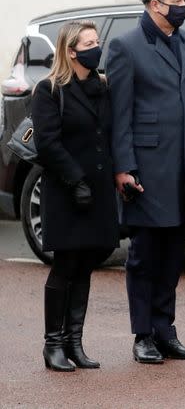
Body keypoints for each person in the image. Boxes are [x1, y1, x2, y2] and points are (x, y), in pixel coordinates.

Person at [107, 0, 185, 363]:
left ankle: (166, 330)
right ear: (155, 5)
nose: (184, 6)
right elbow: (119, 116)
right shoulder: (126, 46)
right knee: (144, 254)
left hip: (183, 165)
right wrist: (124, 168)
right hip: (147, 168)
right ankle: (143, 334)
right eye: (178, 0)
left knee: (172, 252)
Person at [32, 20, 120, 371]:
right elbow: (47, 143)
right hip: (67, 190)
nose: (95, 47)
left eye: (97, 41)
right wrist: (76, 181)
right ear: (71, 51)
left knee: (86, 265)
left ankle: (74, 343)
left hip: (97, 190)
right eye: (88, 43)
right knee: (66, 265)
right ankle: (53, 344)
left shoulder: (102, 86)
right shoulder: (49, 89)